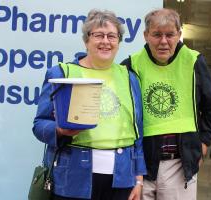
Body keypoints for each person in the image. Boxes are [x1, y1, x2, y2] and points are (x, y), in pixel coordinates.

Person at [33, 9, 146, 200]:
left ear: (118, 42)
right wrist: (60, 131)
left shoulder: (129, 78)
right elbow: (39, 125)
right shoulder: (61, 73)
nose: (105, 41)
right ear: (86, 40)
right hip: (73, 177)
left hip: (122, 178)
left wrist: (139, 178)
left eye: (112, 36)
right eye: (98, 35)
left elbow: (138, 132)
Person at [121, 8, 211, 200]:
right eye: (157, 35)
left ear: (179, 35)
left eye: (170, 35)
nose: (164, 41)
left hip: (179, 164)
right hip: (140, 165)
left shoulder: (194, 61)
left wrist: (203, 143)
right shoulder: (131, 65)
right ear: (145, 35)